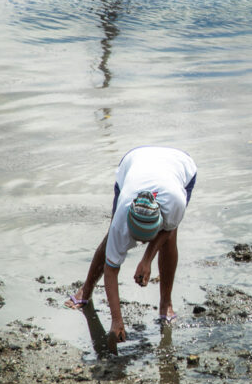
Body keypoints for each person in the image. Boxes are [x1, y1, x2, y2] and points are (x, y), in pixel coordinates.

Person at [65, 146, 197, 347]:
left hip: (179, 166)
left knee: (171, 238)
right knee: (111, 239)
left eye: (147, 239)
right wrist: (117, 320)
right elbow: (111, 270)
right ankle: (86, 290)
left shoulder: (174, 202)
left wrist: (146, 260)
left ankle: (165, 303)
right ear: (128, 223)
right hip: (133, 162)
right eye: (138, 238)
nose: (142, 243)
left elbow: (169, 229)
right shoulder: (121, 221)